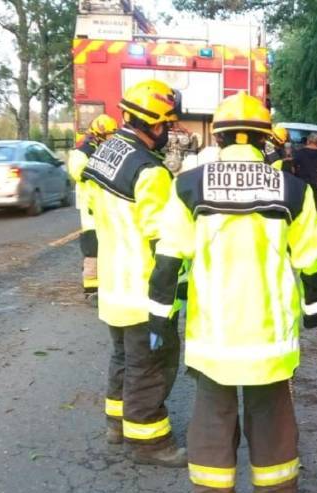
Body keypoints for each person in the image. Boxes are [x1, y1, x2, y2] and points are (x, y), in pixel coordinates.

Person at [145, 92, 317, 493]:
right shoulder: (292, 189)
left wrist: (160, 316)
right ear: (266, 139)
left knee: (212, 415)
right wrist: (314, 309)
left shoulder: (188, 186)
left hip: (214, 334)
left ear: (221, 136)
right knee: (272, 416)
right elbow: (311, 258)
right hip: (270, 337)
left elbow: (169, 259)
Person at [81, 80, 186, 467]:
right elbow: (164, 240)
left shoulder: (102, 154)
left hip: (112, 284)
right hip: (142, 289)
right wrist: (175, 290)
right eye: (167, 126)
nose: (168, 134)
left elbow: (92, 214)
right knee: (152, 365)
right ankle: (149, 442)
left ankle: (116, 423)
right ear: (154, 125)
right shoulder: (150, 172)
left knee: (123, 357)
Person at [68, 114, 117, 303]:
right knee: (92, 249)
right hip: (90, 208)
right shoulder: (83, 150)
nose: (112, 138)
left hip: (101, 204)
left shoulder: (99, 148)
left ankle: (103, 286)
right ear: (100, 133)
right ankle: (91, 290)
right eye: (110, 134)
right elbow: (78, 173)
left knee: (105, 246)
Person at [291, 132, 317, 203]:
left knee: (302, 203)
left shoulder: (300, 152)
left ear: (308, 141)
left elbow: (293, 167)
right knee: (313, 204)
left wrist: (296, 175)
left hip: (301, 184)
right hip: (315, 184)